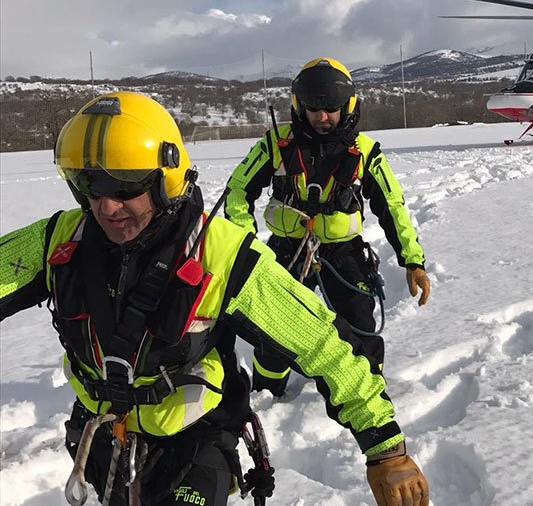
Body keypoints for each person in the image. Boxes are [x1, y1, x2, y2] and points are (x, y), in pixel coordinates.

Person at [0, 91, 428, 506]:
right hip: (104, 440)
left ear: (165, 177)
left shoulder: (220, 255)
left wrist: (386, 448)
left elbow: (322, 343)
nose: (107, 207)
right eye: (90, 186)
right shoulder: (60, 240)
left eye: (126, 187)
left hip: (195, 443)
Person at [224, 58, 431, 396]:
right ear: (299, 106)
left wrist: (413, 261)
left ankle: (369, 394)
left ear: (346, 106)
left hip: (344, 254)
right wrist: (249, 248)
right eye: (314, 109)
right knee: (273, 330)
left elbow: (391, 206)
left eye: (331, 109)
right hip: (285, 253)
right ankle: (267, 394)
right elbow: (236, 193)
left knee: (361, 329)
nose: (322, 117)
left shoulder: (365, 152)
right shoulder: (276, 144)